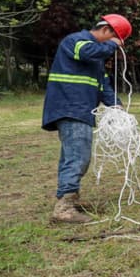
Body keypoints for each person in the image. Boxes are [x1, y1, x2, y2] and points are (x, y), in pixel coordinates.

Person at [42, 14, 132, 223]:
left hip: (80, 109)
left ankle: (70, 198)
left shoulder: (95, 60)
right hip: (71, 107)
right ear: (106, 31)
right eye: (115, 41)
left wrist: (115, 104)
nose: (114, 49)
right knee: (78, 157)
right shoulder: (76, 42)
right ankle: (64, 208)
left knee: (72, 155)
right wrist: (112, 45)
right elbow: (87, 52)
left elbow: (103, 85)